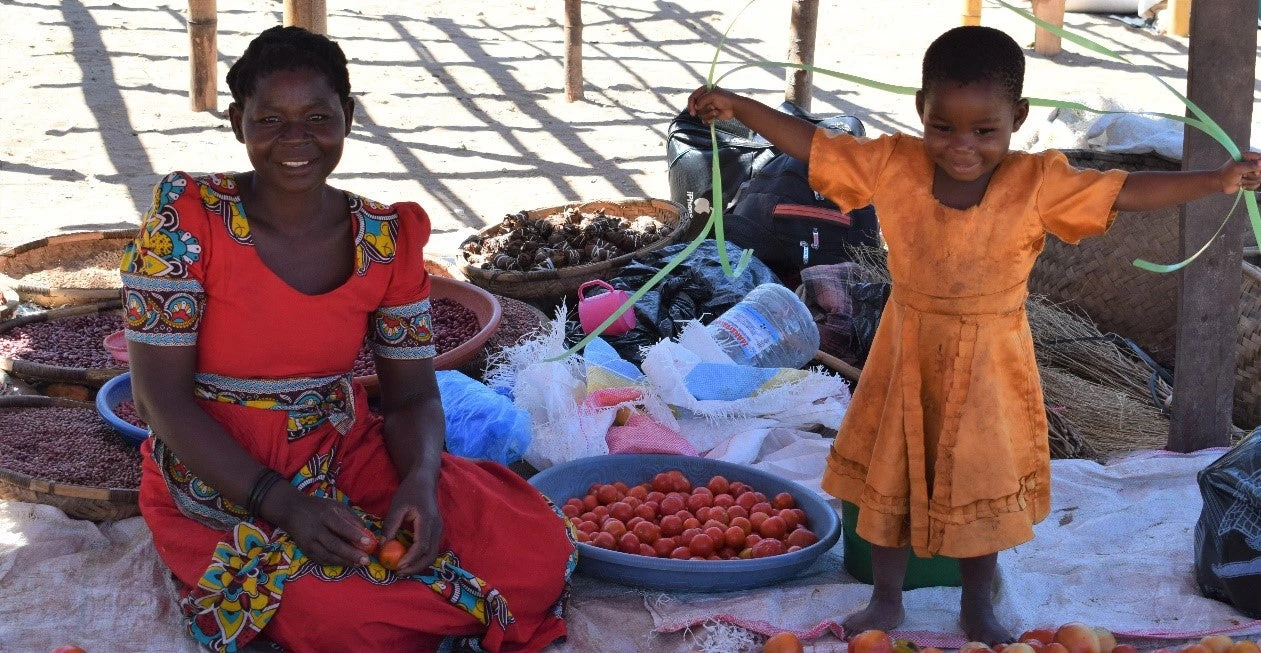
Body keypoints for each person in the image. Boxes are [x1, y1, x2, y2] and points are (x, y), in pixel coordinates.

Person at [688, 25, 1261, 644]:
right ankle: (886, 600)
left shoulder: (1037, 182)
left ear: (1018, 117)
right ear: (920, 112)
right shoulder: (893, 164)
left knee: (978, 484)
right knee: (891, 479)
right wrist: (739, 106)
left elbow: (1123, 193)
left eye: (984, 131)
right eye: (943, 127)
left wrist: (1214, 180)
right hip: (903, 353)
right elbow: (816, 146)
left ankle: (976, 604)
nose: (961, 146)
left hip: (990, 364)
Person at [123, 26, 576, 653]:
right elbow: (158, 401)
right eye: (269, 119)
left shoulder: (385, 239)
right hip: (219, 471)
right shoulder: (186, 222)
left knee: (533, 545)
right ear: (236, 122)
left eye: (317, 117)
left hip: (341, 448)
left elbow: (413, 395)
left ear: (349, 117)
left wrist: (419, 482)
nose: (295, 139)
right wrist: (280, 503)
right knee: (341, 617)